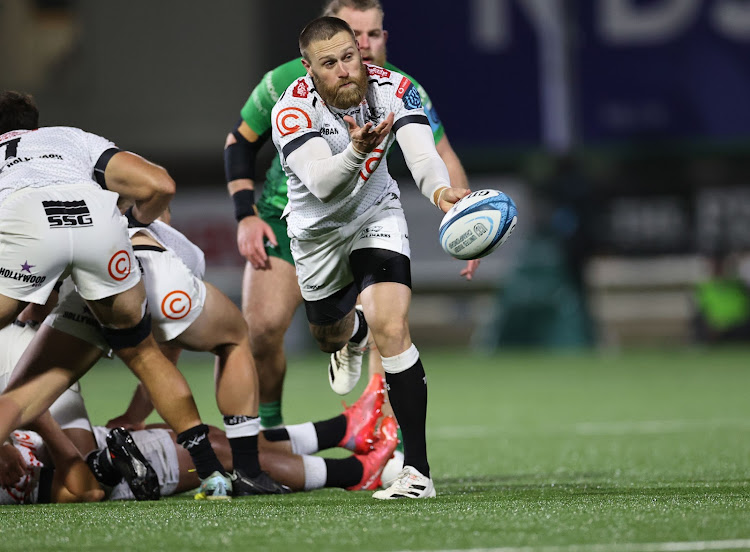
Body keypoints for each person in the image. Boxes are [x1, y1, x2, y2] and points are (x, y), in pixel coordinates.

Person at [224, 0, 476, 433]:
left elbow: (440, 152)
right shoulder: (284, 84)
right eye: (353, 36)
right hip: (293, 220)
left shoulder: (399, 86)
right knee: (264, 329)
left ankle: (391, 447)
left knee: (389, 324)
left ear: (383, 37)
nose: (362, 47)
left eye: (372, 36)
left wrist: (461, 214)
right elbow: (239, 144)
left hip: (366, 216)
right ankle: (271, 434)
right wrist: (245, 214)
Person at [269, 16, 470, 499]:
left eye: (349, 57)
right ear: (309, 69)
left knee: (392, 326)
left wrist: (440, 191)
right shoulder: (290, 110)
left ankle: (416, 472)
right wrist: (357, 151)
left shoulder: (396, 88)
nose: (343, 70)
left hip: (376, 215)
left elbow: (422, 154)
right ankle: (351, 335)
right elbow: (321, 181)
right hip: (316, 237)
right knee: (326, 333)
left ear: (361, 54)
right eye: (329, 63)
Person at [0, 91, 233, 499]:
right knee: (142, 352)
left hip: (25, 221)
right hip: (96, 218)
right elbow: (159, 183)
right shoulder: (68, 138)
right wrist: (131, 222)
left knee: (22, 391)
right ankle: (213, 472)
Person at [0, 305, 398, 502]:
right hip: (119, 475)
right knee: (221, 453)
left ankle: (343, 431)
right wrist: (40, 420)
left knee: (211, 435)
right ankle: (355, 471)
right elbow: (86, 488)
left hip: (98, 443)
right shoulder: (10, 479)